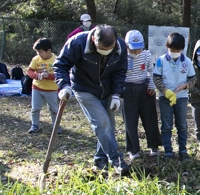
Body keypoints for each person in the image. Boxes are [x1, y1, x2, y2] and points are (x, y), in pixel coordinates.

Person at [54, 25, 130, 174]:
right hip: (84, 88)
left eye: (109, 49)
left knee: (109, 126)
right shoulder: (77, 42)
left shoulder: (120, 46)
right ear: (94, 39)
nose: (105, 52)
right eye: (101, 49)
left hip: (108, 90)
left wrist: (116, 94)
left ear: (115, 41)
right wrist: (64, 86)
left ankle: (100, 161)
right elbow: (60, 64)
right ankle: (117, 160)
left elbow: (120, 72)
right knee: (102, 123)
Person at [153, 32, 196, 160]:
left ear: (182, 49)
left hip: (181, 98)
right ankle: (168, 151)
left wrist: (185, 86)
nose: (174, 52)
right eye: (172, 49)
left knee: (182, 125)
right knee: (166, 125)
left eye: (177, 50)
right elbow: (156, 78)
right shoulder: (161, 60)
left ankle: (183, 150)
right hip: (165, 98)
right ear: (167, 47)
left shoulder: (187, 62)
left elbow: (193, 79)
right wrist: (165, 90)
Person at [122, 30, 162, 161]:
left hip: (145, 88)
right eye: (133, 49)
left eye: (139, 49)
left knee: (150, 117)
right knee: (130, 120)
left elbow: (151, 70)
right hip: (128, 89)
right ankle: (133, 149)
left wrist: (151, 85)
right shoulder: (121, 56)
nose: (136, 52)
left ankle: (154, 146)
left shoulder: (146, 55)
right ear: (126, 46)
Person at [27, 38, 59, 134]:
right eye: (37, 52)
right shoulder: (36, 59)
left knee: (53, 109)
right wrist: (36, 76)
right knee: (35, 108)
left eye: (40, 52)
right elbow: (29, 71)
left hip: (51, 89)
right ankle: (35, 125)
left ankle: (56, 126)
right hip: (37, 88)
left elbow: (59, 74)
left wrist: (48, 76)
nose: (38, 54)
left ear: (48, 50)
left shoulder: (56, 60)